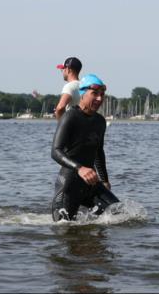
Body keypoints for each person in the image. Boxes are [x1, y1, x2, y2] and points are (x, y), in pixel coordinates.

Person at [51, 74, 119, 221]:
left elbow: (98, 152)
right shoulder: (70, 117)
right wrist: (79, 168)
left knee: (119, 213)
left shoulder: (100, 121)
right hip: (68, 185)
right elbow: (56, 151)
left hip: (90, 183)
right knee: (66, 228)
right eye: (94, 94)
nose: (100, 99)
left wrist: (104, 180)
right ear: (82, 93)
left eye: (102, 94)